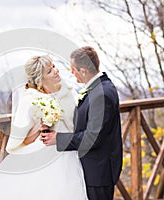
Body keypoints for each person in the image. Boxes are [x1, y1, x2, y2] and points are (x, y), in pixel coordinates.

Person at [0, 55, 88, 200]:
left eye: (53, 66)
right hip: (43, 153)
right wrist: (41, 128)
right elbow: (23, 140)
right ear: (40, 79)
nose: (56, 71)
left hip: (68, 148)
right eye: (49, 71)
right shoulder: (31, 100)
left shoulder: (67, 91)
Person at [41, 46, 123, 200]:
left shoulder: (101, 94)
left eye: (73, 69)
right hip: (95, 168)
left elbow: (93, 137)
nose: (72, 73)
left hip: (98, 171)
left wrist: (58, 138)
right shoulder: (99, 88)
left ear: (83, 70)